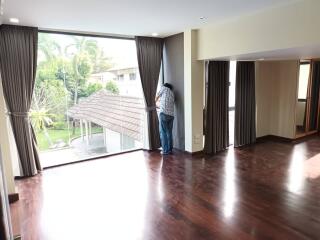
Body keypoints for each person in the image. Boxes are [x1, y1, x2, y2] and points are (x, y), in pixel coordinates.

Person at [155, 83, 175, 155]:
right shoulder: (172, 93)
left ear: (165, 86)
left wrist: (154, 103)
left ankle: (165, 151)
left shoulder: (164, 88)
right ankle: (170, 149)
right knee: (169, 132)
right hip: (171, 115)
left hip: (164, 114)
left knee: (163, 132)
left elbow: (156, 96)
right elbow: (168, 104)